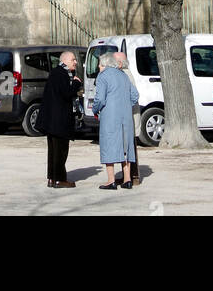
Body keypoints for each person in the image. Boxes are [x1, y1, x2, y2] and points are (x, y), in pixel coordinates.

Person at [92, 51, 139, 189]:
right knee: (125, 146)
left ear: (104, 64)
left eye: (99, 64)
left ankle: (111, 180)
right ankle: (127, 179)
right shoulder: (123, 75)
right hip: (126, 115)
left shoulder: (103, 76)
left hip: (110, 115)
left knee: (109, 144)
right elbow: (135, 95)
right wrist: (125, 104)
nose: (99, 67)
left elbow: (100, 98)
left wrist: (95, 109)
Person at [38, 50, 82, 188]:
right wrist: (76, 84)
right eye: (73, 60)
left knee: (54, 150)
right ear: (64, 61)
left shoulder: (57, 73)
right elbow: (66, 93)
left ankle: (52, 178)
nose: (75, 62)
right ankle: (60, 179)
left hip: (53, 120)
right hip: (59, 120)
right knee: (60, 151)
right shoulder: (61, 73)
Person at [114, 51, 141, 184]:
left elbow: (133, 95)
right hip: (128, 117)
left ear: (119, 62)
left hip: (129, 118)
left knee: (129, 148)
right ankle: (129, 176)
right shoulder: (124, 73)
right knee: (126, 147)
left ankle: (133, 176)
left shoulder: (125, 74)